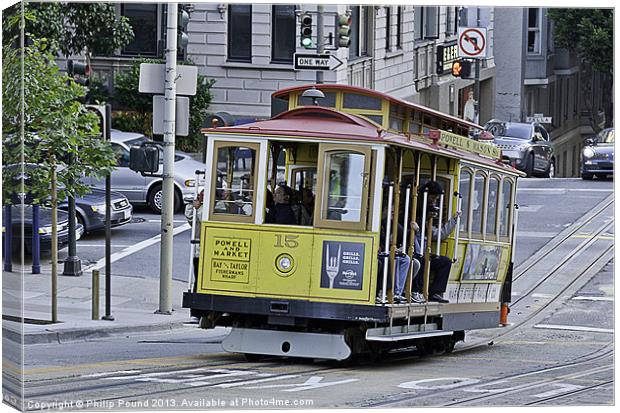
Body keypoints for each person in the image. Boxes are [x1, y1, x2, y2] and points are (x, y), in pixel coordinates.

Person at [414, 180, 460, 303]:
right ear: (427, 194)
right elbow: (438, 235)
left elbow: (435, 234)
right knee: (421, 261)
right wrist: (454, 220)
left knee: (445, 262)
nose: (434, 201)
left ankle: (434, 292)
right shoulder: (417, 209)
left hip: (423, 249)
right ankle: (417, 291)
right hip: (414, 249)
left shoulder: (427, 211)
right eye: (433, 197)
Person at [377, 207, 422, 304]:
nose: (392, 214)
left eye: (394, 212)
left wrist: (416, 231)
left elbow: (405, 236)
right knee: (395, 258)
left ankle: (398, 293)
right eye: (390, 211)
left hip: (388, 251)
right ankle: (391, 292)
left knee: (405, 258)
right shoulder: (377, 222)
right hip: (379, 252)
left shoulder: (394, 225)